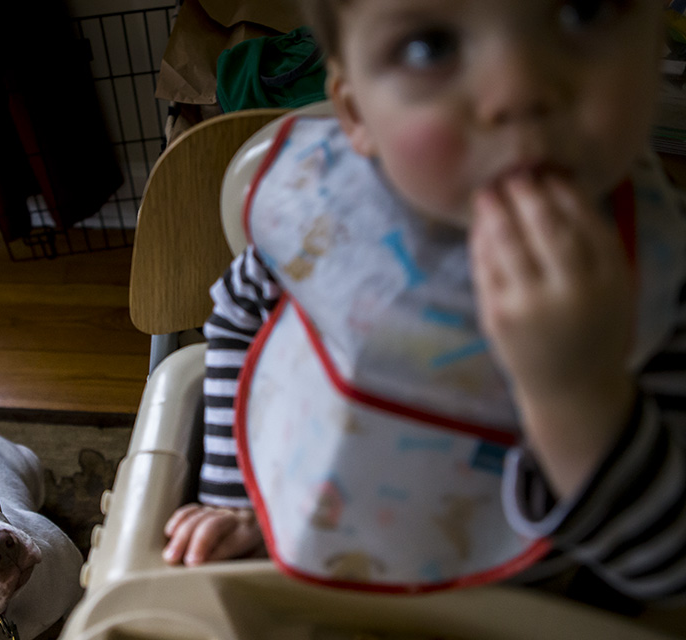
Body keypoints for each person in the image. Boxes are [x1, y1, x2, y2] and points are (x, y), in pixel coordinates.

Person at [162, 0, 686, 603]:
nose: (519, 90)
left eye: (579, 12)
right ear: (355, 111)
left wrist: (576, 391)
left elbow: (669, 571)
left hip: (512, 611)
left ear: (655, 44)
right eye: (428, 46)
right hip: (294, 558)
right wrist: (238, 499)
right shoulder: (334, 214)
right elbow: (237, 312)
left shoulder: (660, 280)